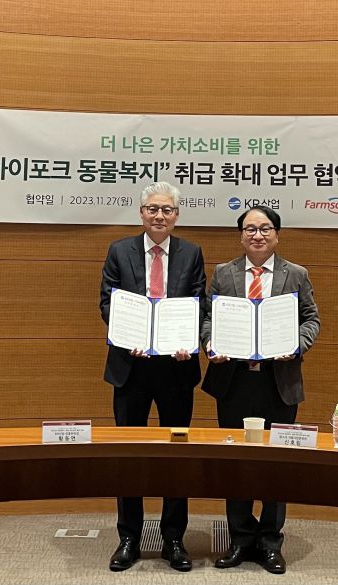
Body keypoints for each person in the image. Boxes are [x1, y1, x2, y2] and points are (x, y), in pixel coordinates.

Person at [201, 205, 320, 575]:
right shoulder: (224, 273)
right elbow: (208, 318)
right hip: (234, 382)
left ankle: (270, 541)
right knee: (236, 462)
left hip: (278, 383)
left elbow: (311, 319)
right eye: (250, 229)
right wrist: (210, 344)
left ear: (277, 235)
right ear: (241, 236)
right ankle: (239, 538)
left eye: (265, 228)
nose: (257, 235)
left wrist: (296, 344)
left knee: (276, 464)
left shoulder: (296, 274)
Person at [99, 181, 206, 572]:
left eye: (167, 210)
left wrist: (188, 341)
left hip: (176, 368)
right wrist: (128, 337)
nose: (160, 216)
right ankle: (128, 537)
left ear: (176, 215)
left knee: (176, 456)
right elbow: (107, 302)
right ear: (141, 213)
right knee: (129, 455)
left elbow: (198, 303)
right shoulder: (119, 250)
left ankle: (173, 538)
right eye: (153, 209)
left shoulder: (191, 252)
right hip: (130, 368)